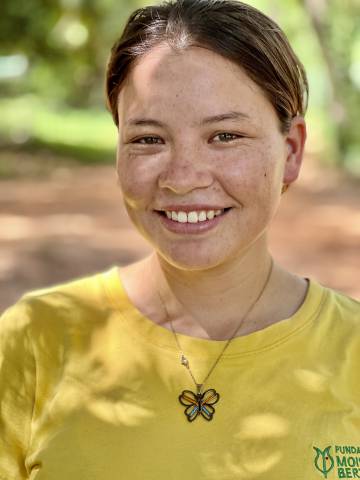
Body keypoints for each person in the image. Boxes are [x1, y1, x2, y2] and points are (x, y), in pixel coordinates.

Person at [1, 0, 359, 479]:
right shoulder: (34, 339)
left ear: (291, 151)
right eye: (149, 139)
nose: (182, 178)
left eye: (225, 136)